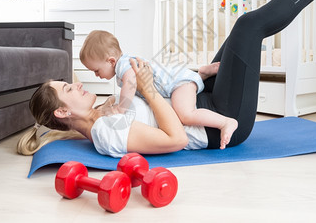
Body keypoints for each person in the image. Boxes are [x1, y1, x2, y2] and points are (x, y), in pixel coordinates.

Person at [17, 0, 316, 157]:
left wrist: (181, 78)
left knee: (238, 34)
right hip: (220, 120)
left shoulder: (103, 114)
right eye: (66, 88)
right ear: (62, 111)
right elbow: (175, 139)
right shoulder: (105, 133)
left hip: (203, 100)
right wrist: (148, 91)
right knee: (248, 26)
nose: (76, 83)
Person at [79, 30, 237, 149]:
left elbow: (130, 84)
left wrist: (121, 108)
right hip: (176, 81)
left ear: (111, 61)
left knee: (185, 114)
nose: (96, 75)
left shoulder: (125, 66)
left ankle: (225, 122)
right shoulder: (124, 64)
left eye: (97, 70)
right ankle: (201, 74)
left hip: (179, 84)